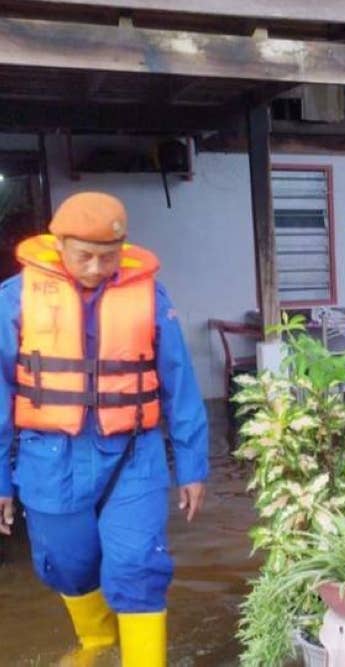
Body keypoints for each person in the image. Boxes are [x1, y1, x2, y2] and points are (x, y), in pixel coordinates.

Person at [0, 192, 209, 666]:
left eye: (108, 257)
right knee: (65, 564)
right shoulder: (14, 299)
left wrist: (192, 466)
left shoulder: (150, 296)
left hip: (133, 453)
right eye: (85, 256)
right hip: (49, 457)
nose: (96, 268)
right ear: (59, 245)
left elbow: (179, 382)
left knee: (138, 564)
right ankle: (96, 644)